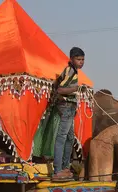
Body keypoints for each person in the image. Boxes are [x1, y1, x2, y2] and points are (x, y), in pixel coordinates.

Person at [52, 47, 85, 181]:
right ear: (71, 59)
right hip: (66, 106)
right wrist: (75, 89)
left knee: (70, 138)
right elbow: (60, 89)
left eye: (83, 60)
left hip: (70, 106)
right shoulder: (70, 71)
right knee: (62, 137)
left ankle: (65, 167)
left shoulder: (74, 71)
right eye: (78, 59)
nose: (81, 62)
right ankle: (58, 170)